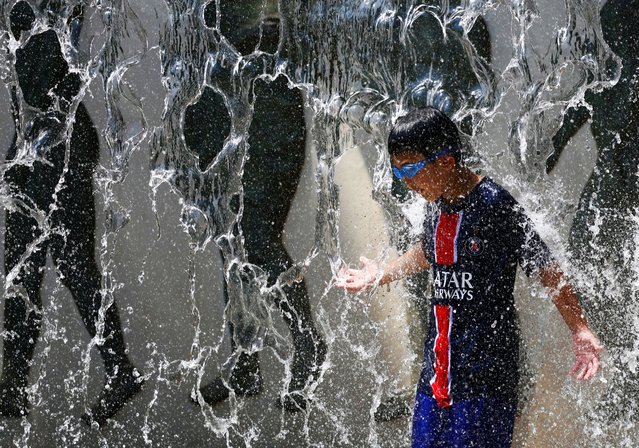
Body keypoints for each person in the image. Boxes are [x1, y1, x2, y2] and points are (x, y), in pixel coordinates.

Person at [335, 107, 602, 447]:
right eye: (397, 170)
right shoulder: (437, 201)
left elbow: (546, 267)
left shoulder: (494, 205)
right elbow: (429, 249)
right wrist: (383, 273)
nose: (405, 181)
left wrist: (580, 329)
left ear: (446, 162)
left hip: (485, 379)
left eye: (412, 169)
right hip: (437, 374)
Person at [0, 1, 142, 426]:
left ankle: (121, 370)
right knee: (18, 267)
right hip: (32, 142)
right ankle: (12, 384)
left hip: (60, 140)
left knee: (73, 262)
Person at [183, 1, 326, 412]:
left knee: (255, 233)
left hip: (268, 102)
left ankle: (308, 341)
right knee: (231, 239)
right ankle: (245, 361)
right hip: (222, 102)